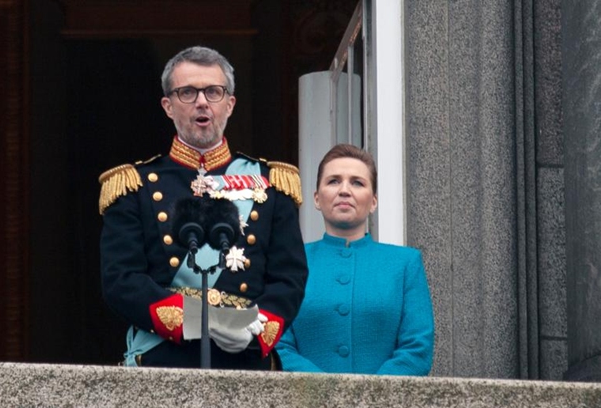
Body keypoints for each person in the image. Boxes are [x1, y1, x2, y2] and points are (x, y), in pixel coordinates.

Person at [98, 46, 307, 370]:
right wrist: (192, 321)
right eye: (187, 92)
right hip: (164, 359)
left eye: (213, 91)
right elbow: (121, 279)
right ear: (168, 106)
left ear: (230, 104)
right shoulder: (134, 186)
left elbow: (289, 278)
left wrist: (256, 330)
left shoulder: (271, 183)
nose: (201, 101)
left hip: (246, 358)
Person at [276, 144, 434, 375]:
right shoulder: (288, 263)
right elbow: (278, 345)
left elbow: (417, 348)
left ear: (373, 201)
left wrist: (371, 393)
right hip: (304, 397)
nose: (344, 190)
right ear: (317, 198)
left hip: (386, 398)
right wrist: (325, 389)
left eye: (357, 183)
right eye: (333, 181)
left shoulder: (404, 264)